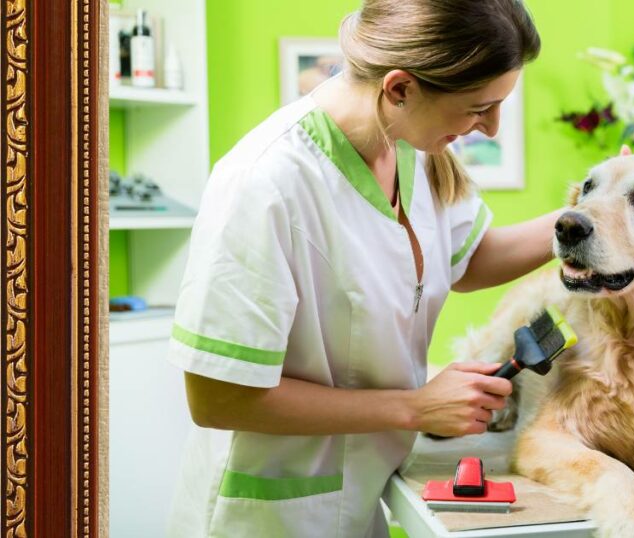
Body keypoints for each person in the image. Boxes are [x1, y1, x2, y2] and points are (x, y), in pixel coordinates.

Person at [164, 1, 555, 536]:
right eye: (478, 107)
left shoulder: (414, 149)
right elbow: (217, 397)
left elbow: (468, 259)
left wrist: (594, 219)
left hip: (364, 495)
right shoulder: (265, 184)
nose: (490, 128)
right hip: (270, 512)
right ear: (399, 88)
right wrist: (415, 407)